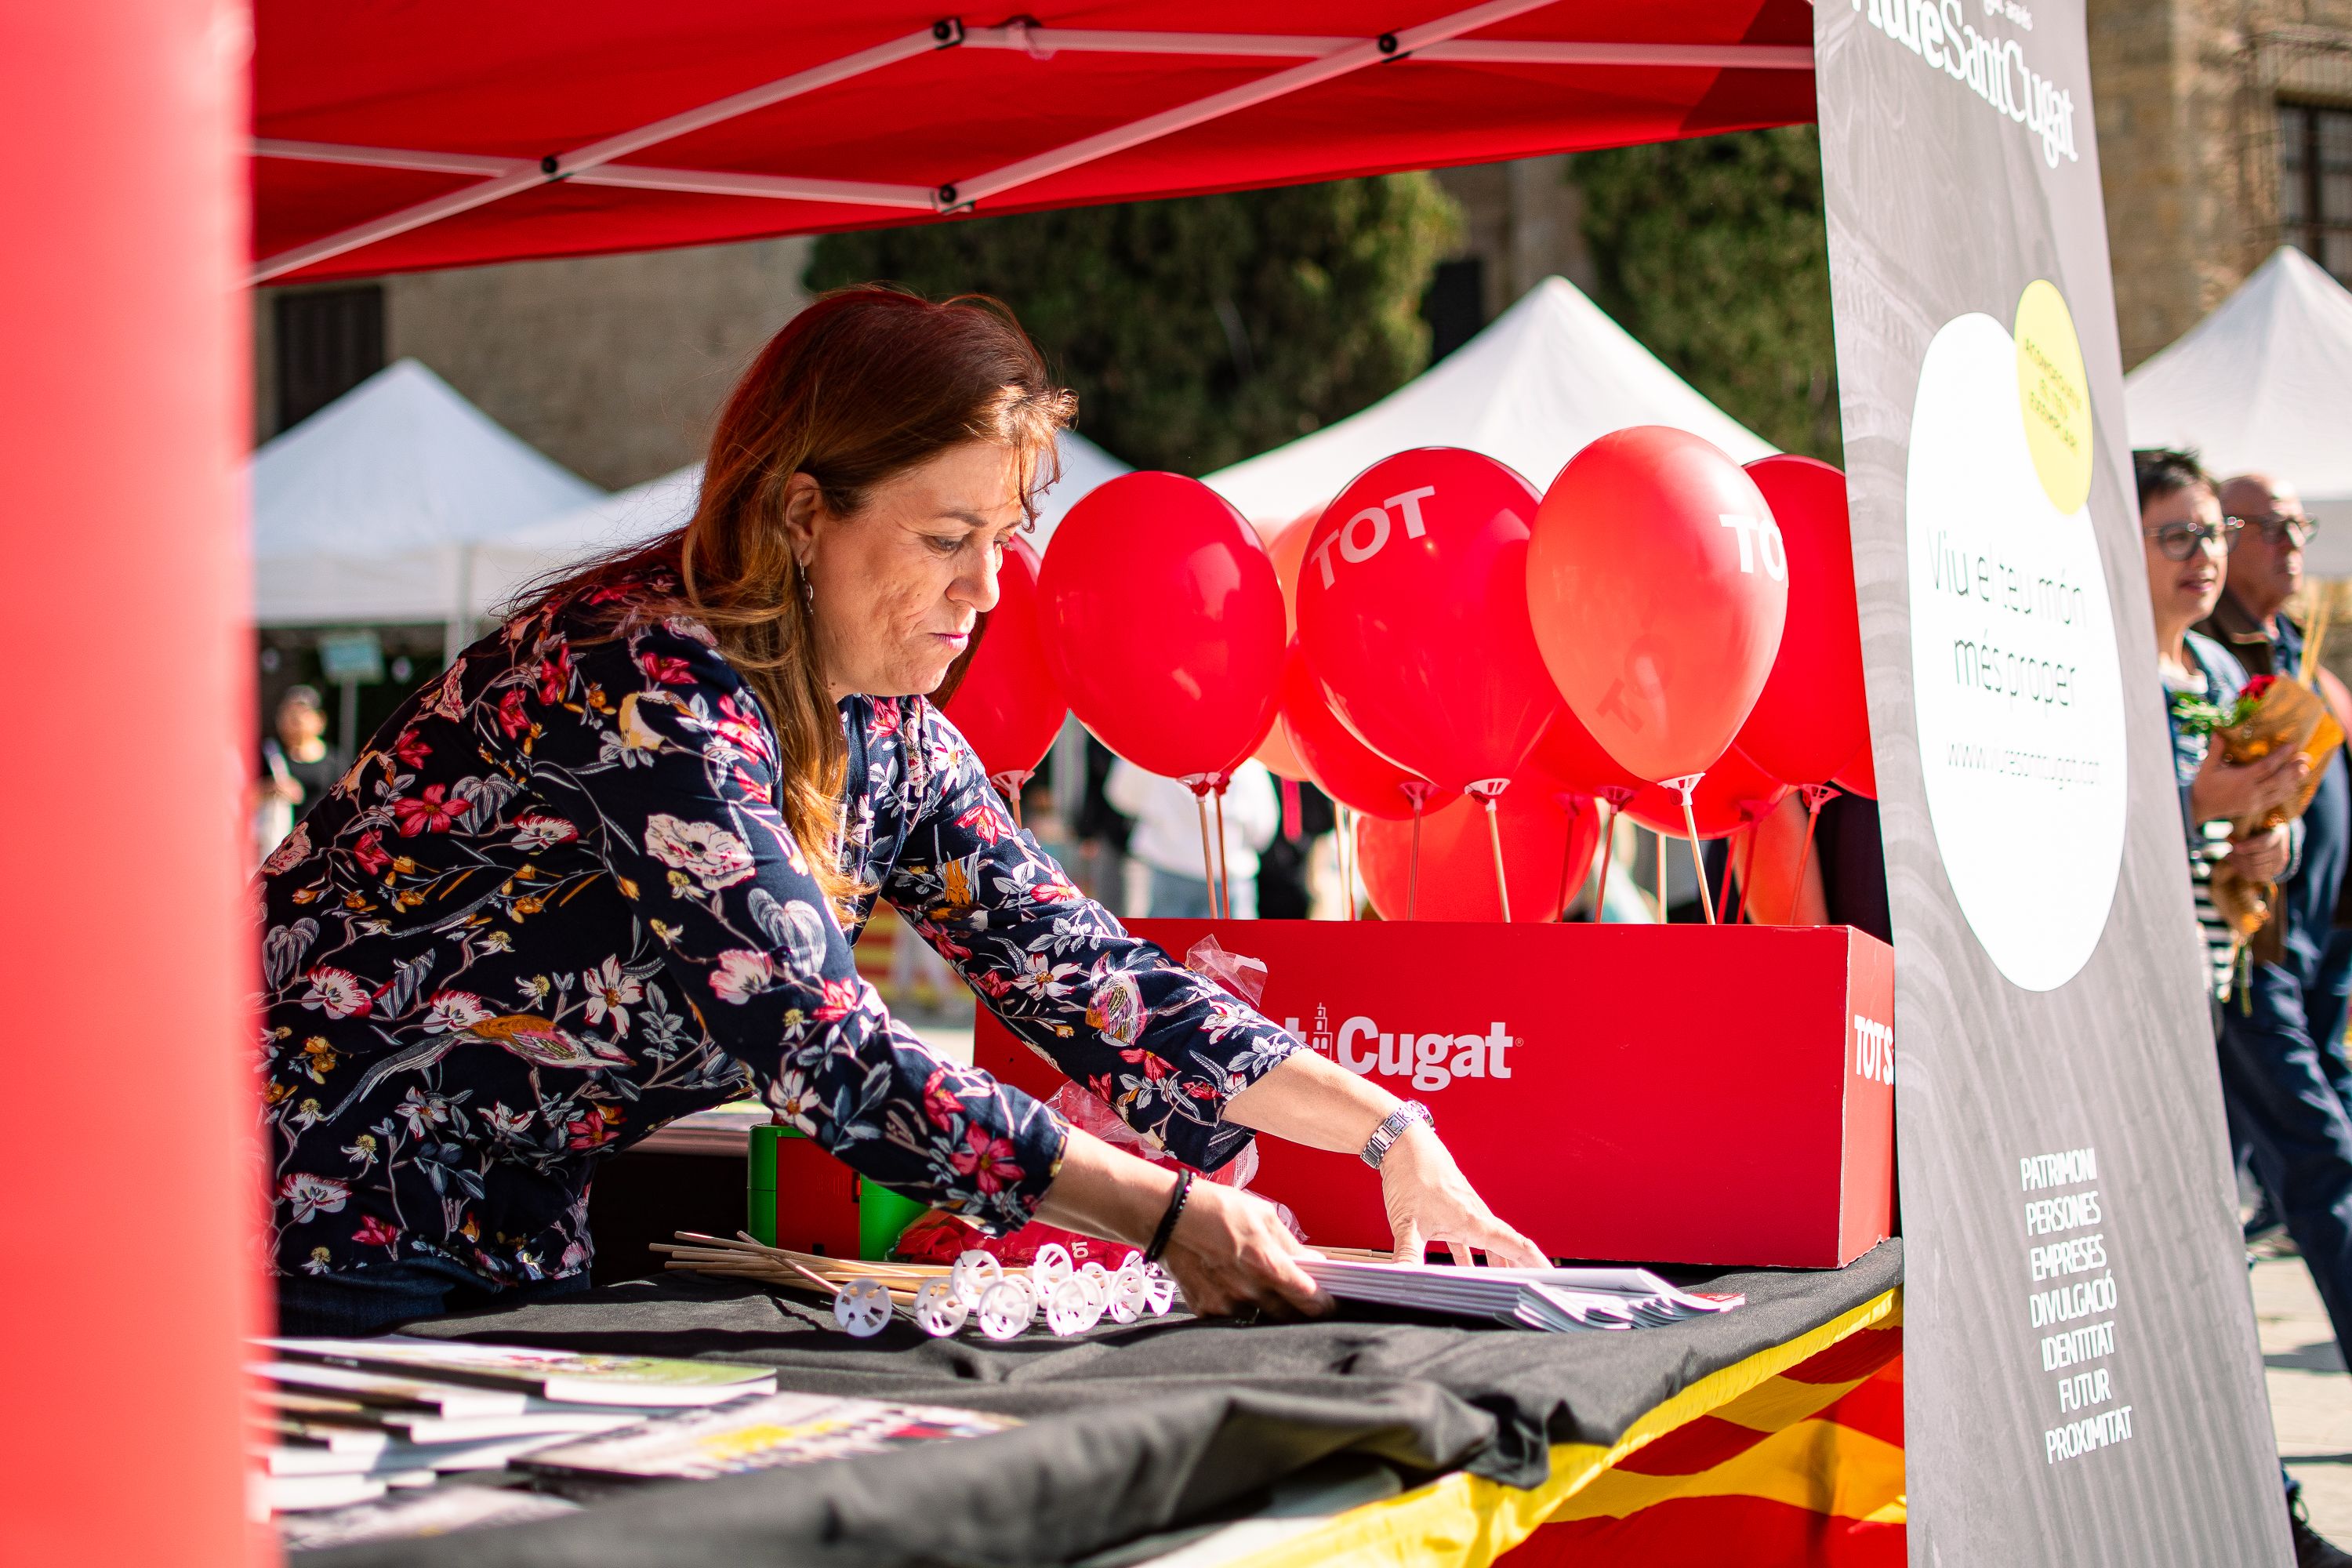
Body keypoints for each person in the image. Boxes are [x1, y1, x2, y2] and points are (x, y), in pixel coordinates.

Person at [258, 289, 1540, 1337]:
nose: (988, 587)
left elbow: (1087, 978)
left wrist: (1392, 1132)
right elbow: (824, 1052)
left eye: (1004, 535)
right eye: (945, 538)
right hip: (316, 1207)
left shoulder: (889, 732)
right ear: (803, 515)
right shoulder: (641, 680)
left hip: (513, 1232)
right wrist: (1164, 1216)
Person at [2140, 449, 2352, 1568]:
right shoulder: (2100, 675)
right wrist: (2195, 801)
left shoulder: (2223, 672)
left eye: (2212, 533)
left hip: (2221, 988)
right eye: (2176, 535)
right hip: (2133, 1025)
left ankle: (2261, 1508)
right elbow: (2095, 836)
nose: (2205, 557)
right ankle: (2254, 1506)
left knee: (2215, 1263)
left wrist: (2272, 837)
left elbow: (2263, 832)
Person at [1104, 757, 1279, 918]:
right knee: (1232, 941)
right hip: (1225, 873)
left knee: (1167, 940)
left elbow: (1122, 794)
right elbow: (1263, 827)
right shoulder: (1245, 761)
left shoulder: (1156, 748)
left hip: (1170, 865)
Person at [255, 684, 340, 866]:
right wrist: (272, 788)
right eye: (287, 714)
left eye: (300, 714)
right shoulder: (270, 756)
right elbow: (243, 797)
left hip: (322, 850)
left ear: (320, 720)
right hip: (281, 850)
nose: (293, 720)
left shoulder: (334, 761)